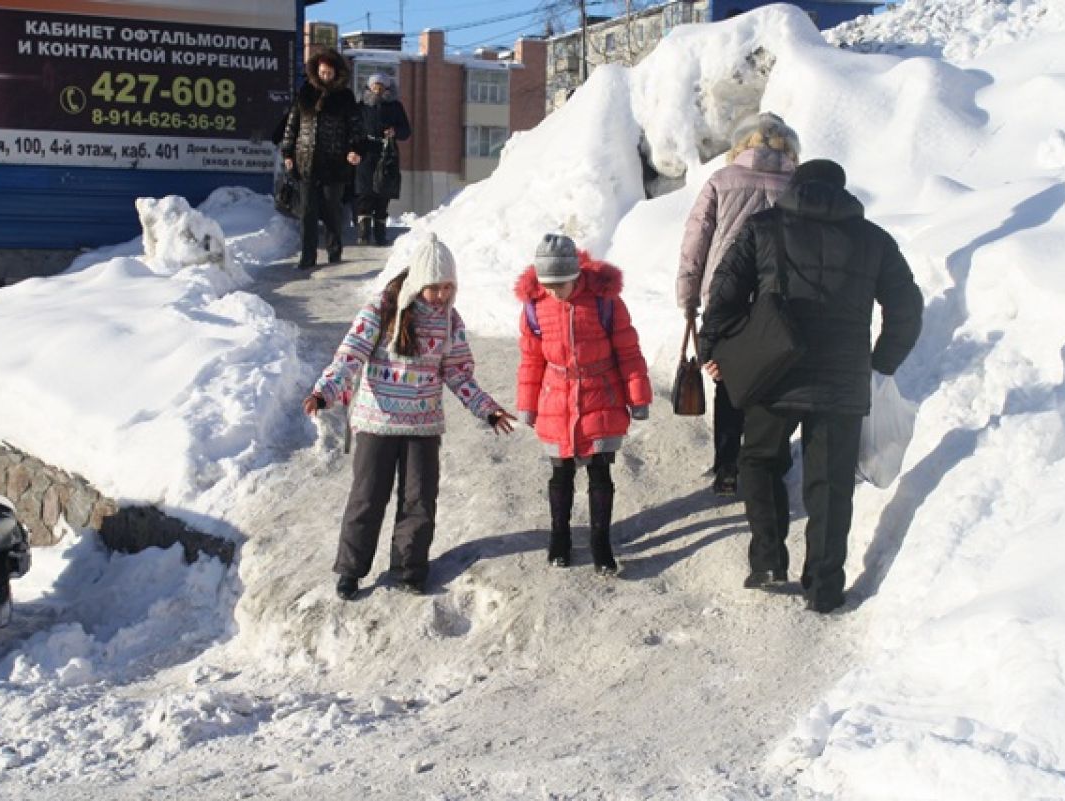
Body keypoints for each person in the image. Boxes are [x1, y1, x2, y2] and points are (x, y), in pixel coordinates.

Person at [699, 159, 923, 613]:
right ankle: (823, 588)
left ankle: (767, 559)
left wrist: (713, 348)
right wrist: (882, 361)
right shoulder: (874, 240)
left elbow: (723, 291)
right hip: (843, 377)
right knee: (831, 483)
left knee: (759, 459)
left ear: (795, 188)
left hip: (775, 368)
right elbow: (907, 306)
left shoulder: (762, 228)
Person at [303, 233, 517, 599]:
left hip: (423, 425)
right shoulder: (381, 310)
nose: (442, 295)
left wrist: (487, 408)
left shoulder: (450, 321)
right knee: (367, 497)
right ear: (418, 281)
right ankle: (351, 570)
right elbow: (349, 356)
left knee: (419, 499)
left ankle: (408, 568)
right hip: (377, 422)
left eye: (448, 287)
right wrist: (326, 392)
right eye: (435, 288)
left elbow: (458, 373)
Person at [514, 234, 653, 574]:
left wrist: (638, 396)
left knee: (599, 470)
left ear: (575, 275)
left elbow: (628, 351)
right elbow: (531, 360)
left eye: (559, 284)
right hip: (556, 396)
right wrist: (527, 404)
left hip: (599, 392)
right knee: (560, 472)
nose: (553, 291)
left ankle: (600, 542)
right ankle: (559, 536)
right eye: (547, 284)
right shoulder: (534, 306)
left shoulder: (605, 302)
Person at [678, 112, 800, 496]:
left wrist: (688, 295)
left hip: (726, 293)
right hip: (779, 297)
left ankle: (727, 468)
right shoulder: (797, 185)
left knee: (726, 380)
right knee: (775, 376)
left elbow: (696, 238)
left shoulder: (722, 180)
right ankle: (769, 460)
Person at [281, 48, 366, 270]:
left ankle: (334, 253)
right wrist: (288, 153)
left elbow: (356, 128)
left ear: (336, 73)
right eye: (322, 72)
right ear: (315, 72)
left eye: (329, 73)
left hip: (334, 164)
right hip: (306, 162)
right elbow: (292, 125)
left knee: (331, 211)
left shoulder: (345, 97)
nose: (325, 76)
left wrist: (354, 149)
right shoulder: (305, 93)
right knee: (307, 212)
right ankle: (307, 257)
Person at [355, 73, 412, 246]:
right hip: (366, 153)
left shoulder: (395, 106)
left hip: (387, 154)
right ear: (369, 87)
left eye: (381, 87)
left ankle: (380, 234)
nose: (377, 90)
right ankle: (364, 234)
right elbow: (354, 129)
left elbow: (406, 131)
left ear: (387, 88)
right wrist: (353, 149)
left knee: (383, 193)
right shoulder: (361, 106)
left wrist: (395, 132)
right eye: (374, 86)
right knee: (365, 193)